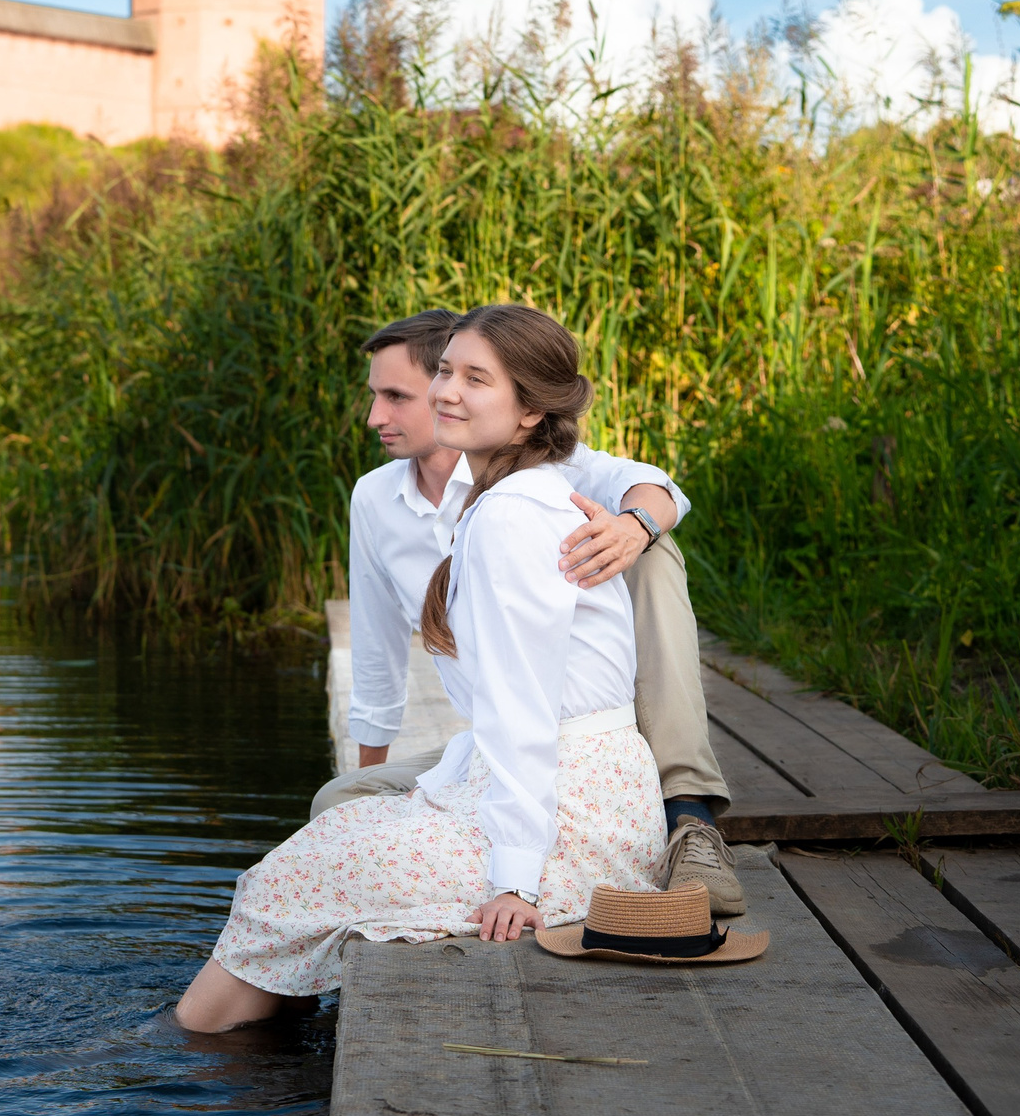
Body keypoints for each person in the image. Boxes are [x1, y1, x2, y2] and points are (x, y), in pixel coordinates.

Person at [176, 304, 670, 1032]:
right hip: (573, 789)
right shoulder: (506, 499)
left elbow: (519, 711)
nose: (447, 391)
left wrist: (516, 881)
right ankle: (235, 1048)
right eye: (444, 371)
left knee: (290, 876)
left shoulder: (513, 514)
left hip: (577, 815)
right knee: (322, 847)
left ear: (531, 410)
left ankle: (197, 1054)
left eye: (476, 379)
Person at [314, 309, 738, 914]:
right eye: (437, 377)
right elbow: (377, 655)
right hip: (496, 738)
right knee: (339, 805)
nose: (375, 417)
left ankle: (688, 815)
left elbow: (655, 485)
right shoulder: (376, 497)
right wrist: (374, 777)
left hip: (584, 739)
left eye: (395, 396)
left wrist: (635, 525)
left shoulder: (545, 475)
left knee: (650, 545)